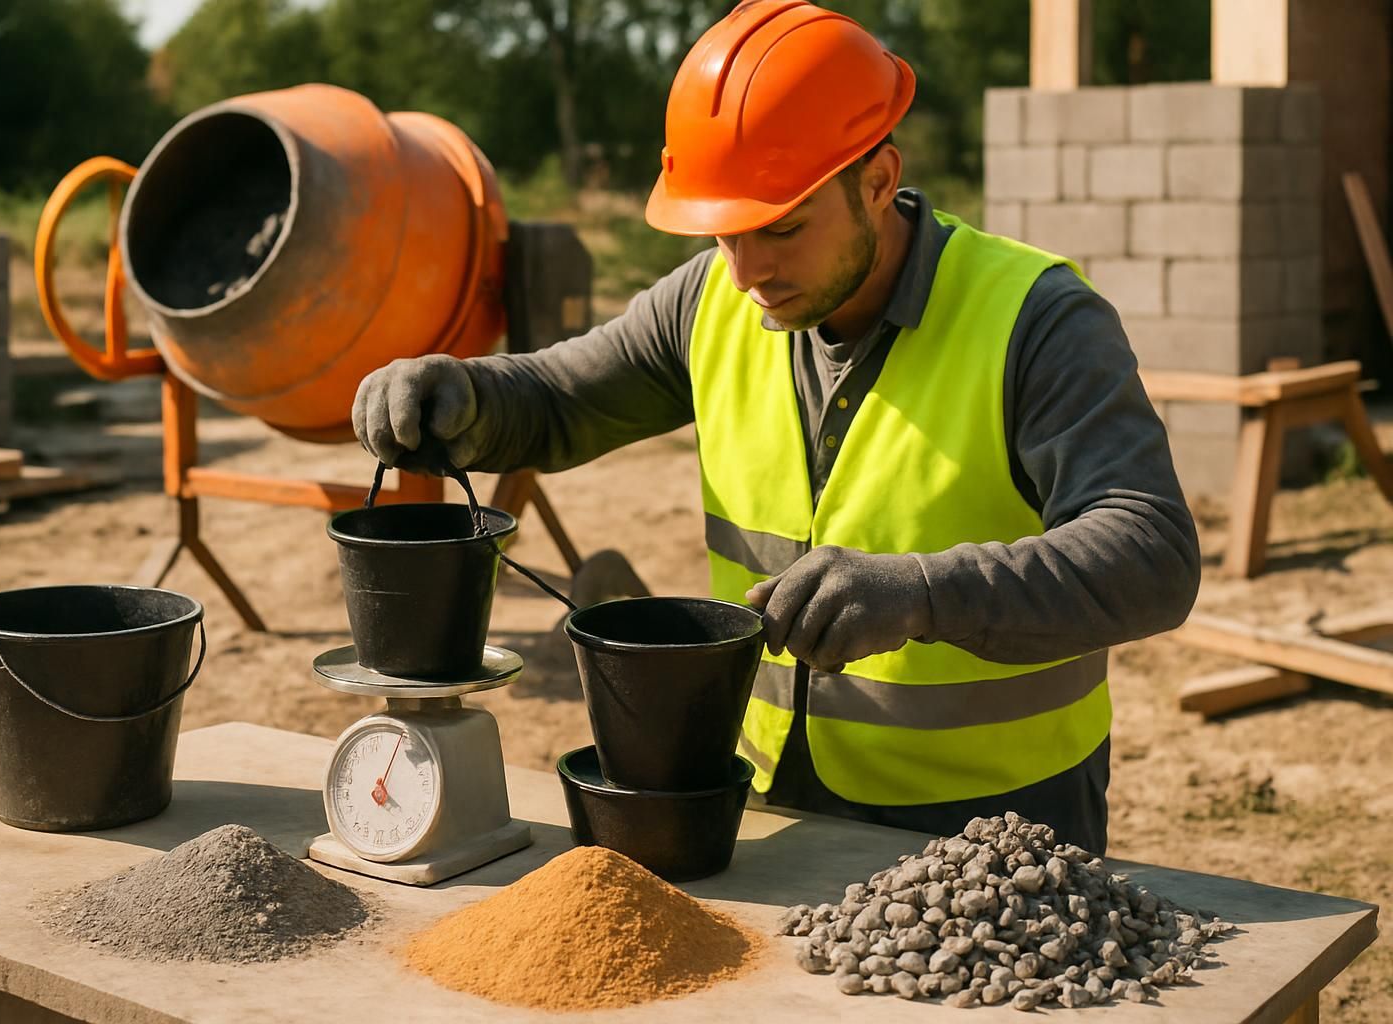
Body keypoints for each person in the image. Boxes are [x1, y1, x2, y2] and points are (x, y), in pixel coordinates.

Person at [352, 0, 1200, 855]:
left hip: (998, 829)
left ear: (879, 180)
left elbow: (1150, 554)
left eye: (783, 228)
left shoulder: (1035, 320)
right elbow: (559, 397)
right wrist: (466, 391)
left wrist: (922, 592)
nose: (746, 271)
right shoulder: (709, 301)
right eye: (724, 234)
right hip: (766, 802)